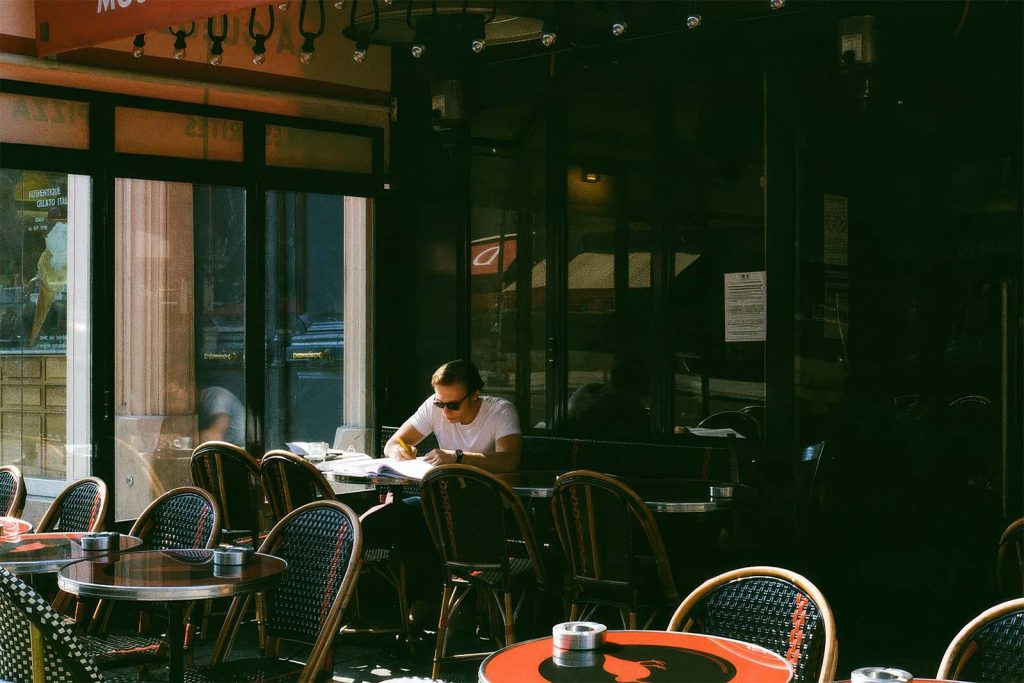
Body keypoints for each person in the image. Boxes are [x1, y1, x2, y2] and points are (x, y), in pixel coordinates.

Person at [383, 358, 522, 473]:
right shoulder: (432, 406)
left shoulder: (500, 411)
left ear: (475, 394)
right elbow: (391, 444)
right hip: (446, 495)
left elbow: (509, 461)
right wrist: (398, 451)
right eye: (440, 404)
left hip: (488, 496)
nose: (445, 412)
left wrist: (457, 457)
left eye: (453, 405)